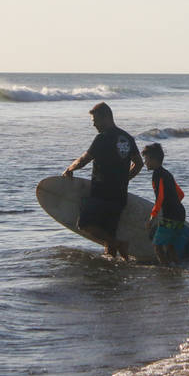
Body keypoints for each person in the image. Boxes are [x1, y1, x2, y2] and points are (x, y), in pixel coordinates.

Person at [63, 102, 142, 259]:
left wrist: (69, 169)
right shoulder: (127, 138)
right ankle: (111, 273)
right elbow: (138, 163)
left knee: (84, 224)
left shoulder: (102, 138)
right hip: (119, 195)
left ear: (106, 118)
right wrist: (124, 180)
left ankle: (119, 245)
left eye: (95, 121)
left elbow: (83, 160)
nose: (94, 125)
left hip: (101, 193)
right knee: (108, 233)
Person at [141, 142, 189, 265]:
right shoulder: (167, 173)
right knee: (169, 245)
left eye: (146, 159)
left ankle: (167, 271)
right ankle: (176, 268)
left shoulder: (157, 175)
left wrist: (152, 218)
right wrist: (173, 204)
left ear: (154, 159)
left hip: (170, 216)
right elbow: (180, 194)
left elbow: (160, 198)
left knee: (157, 246)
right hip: (180, 213)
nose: (145, 163)